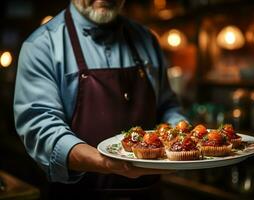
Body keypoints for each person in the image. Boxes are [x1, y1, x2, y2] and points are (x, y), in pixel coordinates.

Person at [14, 0, 187, 199]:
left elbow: (167, 107)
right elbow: (41, 130)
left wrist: (184, 138)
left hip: (148, 193)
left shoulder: (147, 40)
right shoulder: (42, 46)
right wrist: (104, 162)